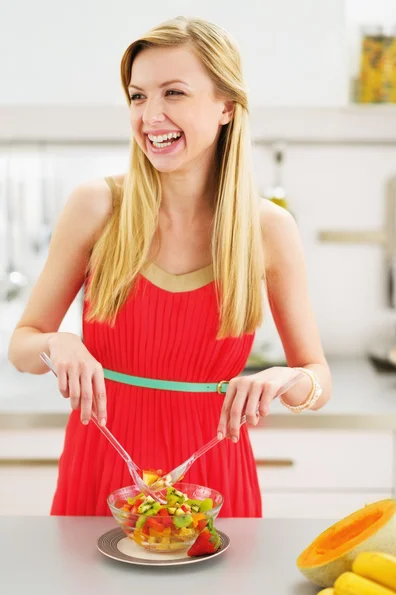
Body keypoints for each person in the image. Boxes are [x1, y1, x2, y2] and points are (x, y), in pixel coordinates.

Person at [8, 16, 331, 517]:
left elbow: (318, 378)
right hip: (101, 469)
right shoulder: (96, 207)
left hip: (213, 478)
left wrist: (284, 379)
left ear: (226, 106)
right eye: (138, 96)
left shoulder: (268, 228)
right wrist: (57, 342)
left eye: (173, 93)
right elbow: (23, 345)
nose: (150, 115)